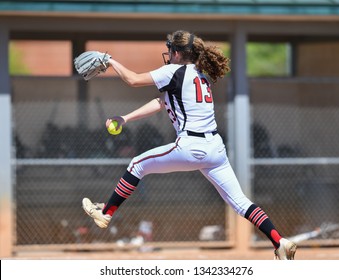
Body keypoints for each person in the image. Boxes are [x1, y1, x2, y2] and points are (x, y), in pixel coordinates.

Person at [82, 30, 297, 260]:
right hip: (215, 148)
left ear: (176, 52)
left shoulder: (174, 70)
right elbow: (162, 102)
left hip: (191, 145)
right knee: (241, 202)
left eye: (170, 50)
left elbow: (133, 80)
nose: (169, 54)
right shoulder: (199, 74)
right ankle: (279, 241)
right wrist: (125, 118)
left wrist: (110, 60)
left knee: (137, 164)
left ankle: (105, 212)